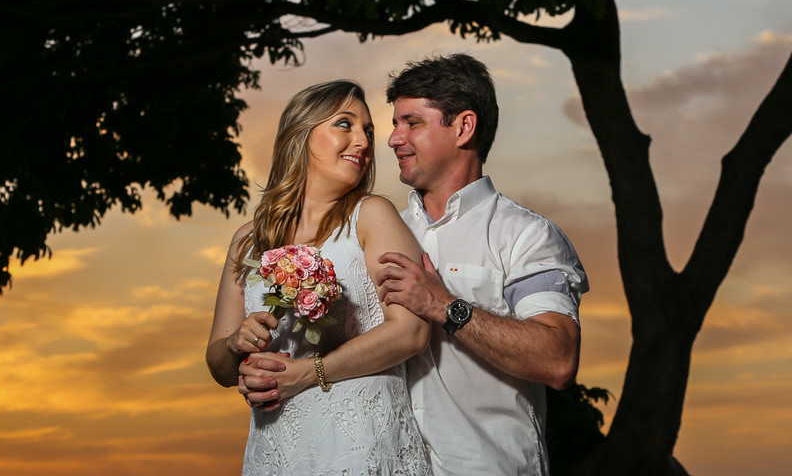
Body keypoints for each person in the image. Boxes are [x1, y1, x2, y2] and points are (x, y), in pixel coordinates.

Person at [241, 54, 588, 476]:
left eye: (412, 123)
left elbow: (558, 360)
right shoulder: (365, 232)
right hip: (383, 460)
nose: (391, 139)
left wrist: (445, 306)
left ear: (463, 127)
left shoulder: (524, 235)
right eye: (393, 124)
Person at [206, 80, 433, 475]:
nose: (362, 141)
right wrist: (235, 344)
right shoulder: (247, 241)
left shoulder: (372, 215)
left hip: (360, 445)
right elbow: (218, 365)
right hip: (276, 450)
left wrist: (308, 374)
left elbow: (410, 332)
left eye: (367, 131)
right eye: (344, 124)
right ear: (301, 134)